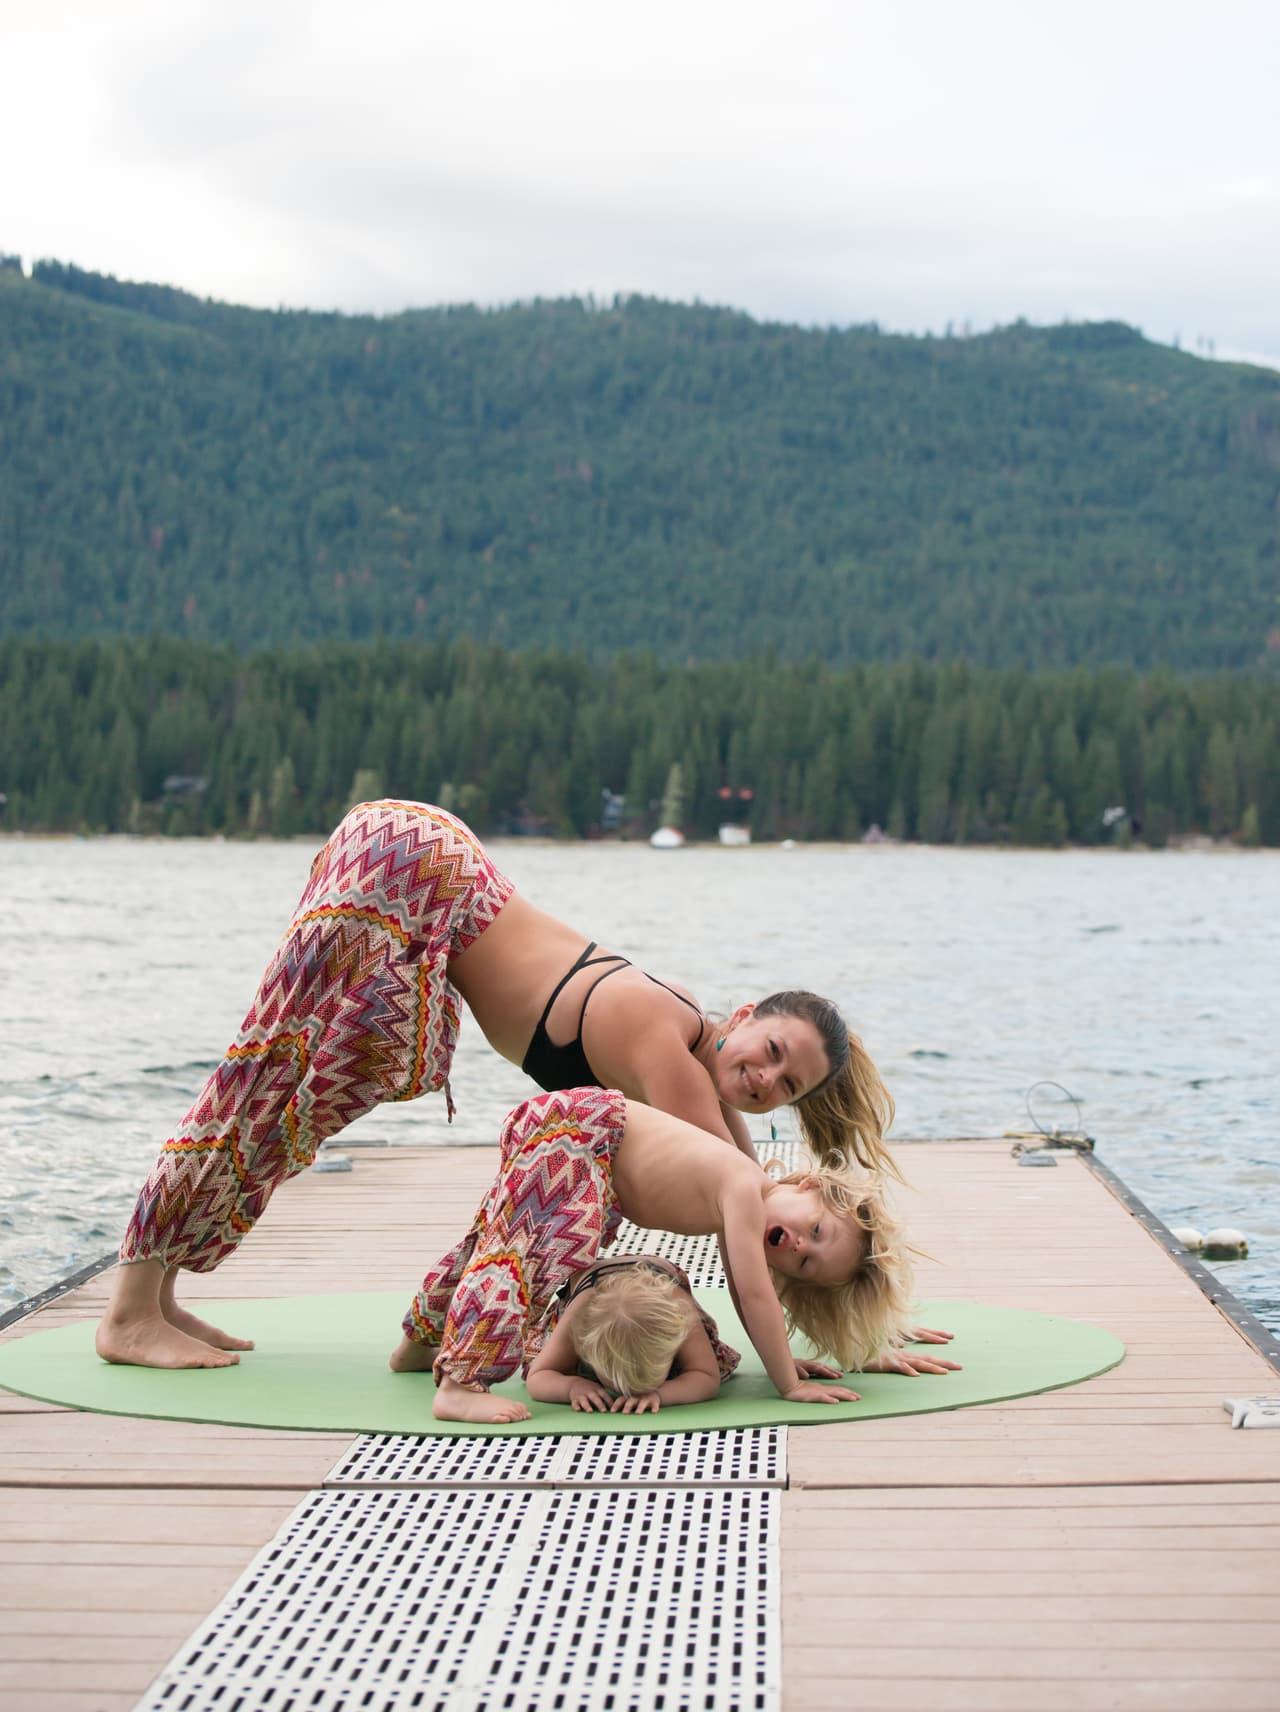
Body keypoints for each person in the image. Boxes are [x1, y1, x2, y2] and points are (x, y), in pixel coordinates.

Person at [96, 798, 897, 1370]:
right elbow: (748, 1210)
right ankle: (129, 1314)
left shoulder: (692, 1042)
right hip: (412, 867)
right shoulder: (665, 1043)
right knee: (265, 1075)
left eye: (785, 1087)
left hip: (426, 867)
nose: (763, 1079)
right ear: (745, 1015)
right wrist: (846, 1321)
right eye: (772, 1050)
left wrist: (859, 1311)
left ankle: (157, 1297)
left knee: (300, 1094)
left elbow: (752, 1182)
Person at [387, 1084, 923, 1425]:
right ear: (806, 1184)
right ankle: (459, 1386)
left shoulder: (739, 1204)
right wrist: (788, 1383)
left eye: (805, 1263)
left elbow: (746, 1291)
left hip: (578, 1131)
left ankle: (421, 1343)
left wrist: (786, 1357)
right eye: (816, 1229)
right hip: (582, 1132)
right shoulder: (743, 1185)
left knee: (493, 1240)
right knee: (522, 1256)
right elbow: (757, 1294)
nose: (801, 1246)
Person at [526, 1257, 737, 1415]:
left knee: (706, 1356)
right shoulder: (579, 1318)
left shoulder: (679, 1312)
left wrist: (663, 1393)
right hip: (591, 1284)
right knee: (543, 1352)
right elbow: (538, 1376)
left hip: (661, 1278)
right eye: (615, 1382)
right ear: (586, 1350)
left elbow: (707, 1376)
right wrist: (572, 1387)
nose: (627, 1393)